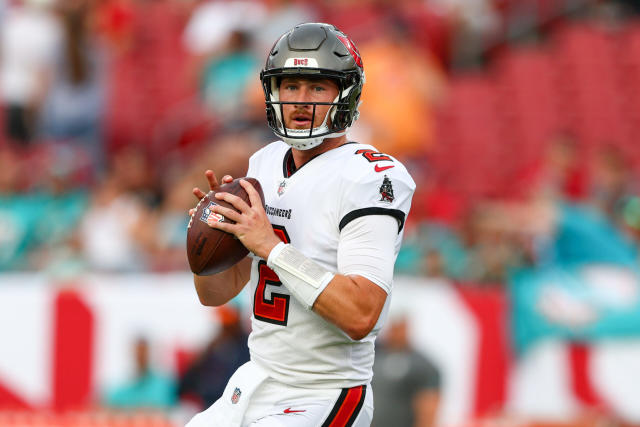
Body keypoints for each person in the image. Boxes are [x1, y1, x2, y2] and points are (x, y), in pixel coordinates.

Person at [186, 23, 415, 427]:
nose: (301, 101)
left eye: (317, 87)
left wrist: (269, 245)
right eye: (290, 86)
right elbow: (215, 294)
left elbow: (363, 314)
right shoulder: (265, 162)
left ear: (346, 93)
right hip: (254, 379)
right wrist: (212, 238)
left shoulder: (372, 177)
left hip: (323, 391)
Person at [371, 312, 441, 427]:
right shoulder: (374, 357)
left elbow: (428, 408)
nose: (395, 331)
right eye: (393, 326)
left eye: (400, 327)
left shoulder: (422, 365)